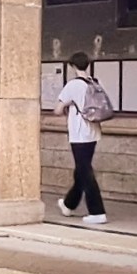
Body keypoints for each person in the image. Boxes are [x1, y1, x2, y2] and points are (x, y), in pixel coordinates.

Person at [54, 51, 107, 224]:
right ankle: (69, 204)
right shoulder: (94, 82)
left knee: (85, 171)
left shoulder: (73, 85)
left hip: (79, 133)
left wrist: (68, 107)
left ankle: (97, 212)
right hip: (93, 132)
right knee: (81, 170)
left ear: (72, 66)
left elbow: (58, 109)